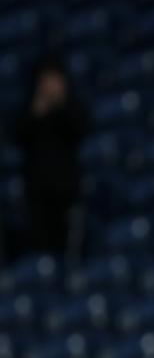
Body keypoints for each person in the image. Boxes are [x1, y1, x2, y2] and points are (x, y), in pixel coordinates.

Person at [13, 57, 88, 259]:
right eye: (45, 80)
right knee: (40, 250)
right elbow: (17, 135)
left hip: (67, 191)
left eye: (54, 79)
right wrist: (37, 111)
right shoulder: (30, 110)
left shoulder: (72, 107)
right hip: (37, 194)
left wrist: (60, 103)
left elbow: (80, 127)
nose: (50, 85)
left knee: (70, 249)